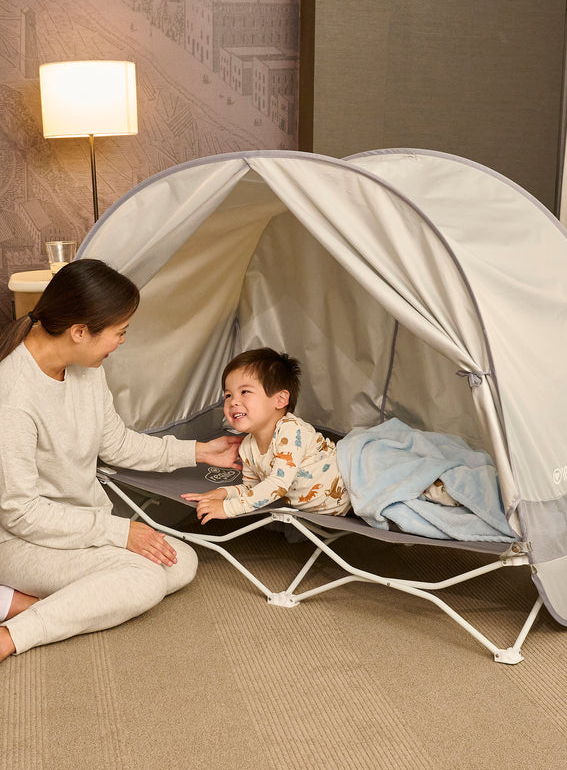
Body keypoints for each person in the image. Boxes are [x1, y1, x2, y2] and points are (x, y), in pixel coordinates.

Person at [0, 259, 241, 663]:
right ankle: (13, 634)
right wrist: (118, 532)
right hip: (21, 541)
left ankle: (46, 600)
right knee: (145, 578)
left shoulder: (84, 369)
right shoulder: (13, 397)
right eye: (119, 332)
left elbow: (116, 444)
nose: (121, 341)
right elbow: (21, 514)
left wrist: (200, 451)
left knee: (180, 563)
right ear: (80, 332)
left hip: (79, 527)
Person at [181, 348, 350, 523]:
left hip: (352, 495)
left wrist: (228, 508)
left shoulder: (291, 431)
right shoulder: (247, 446)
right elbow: (252, 488)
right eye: (228, 395)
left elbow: (278, 484)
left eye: (244, 392)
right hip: (334, 508)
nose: (233, 401)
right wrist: (222, 493)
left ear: (280, 400)